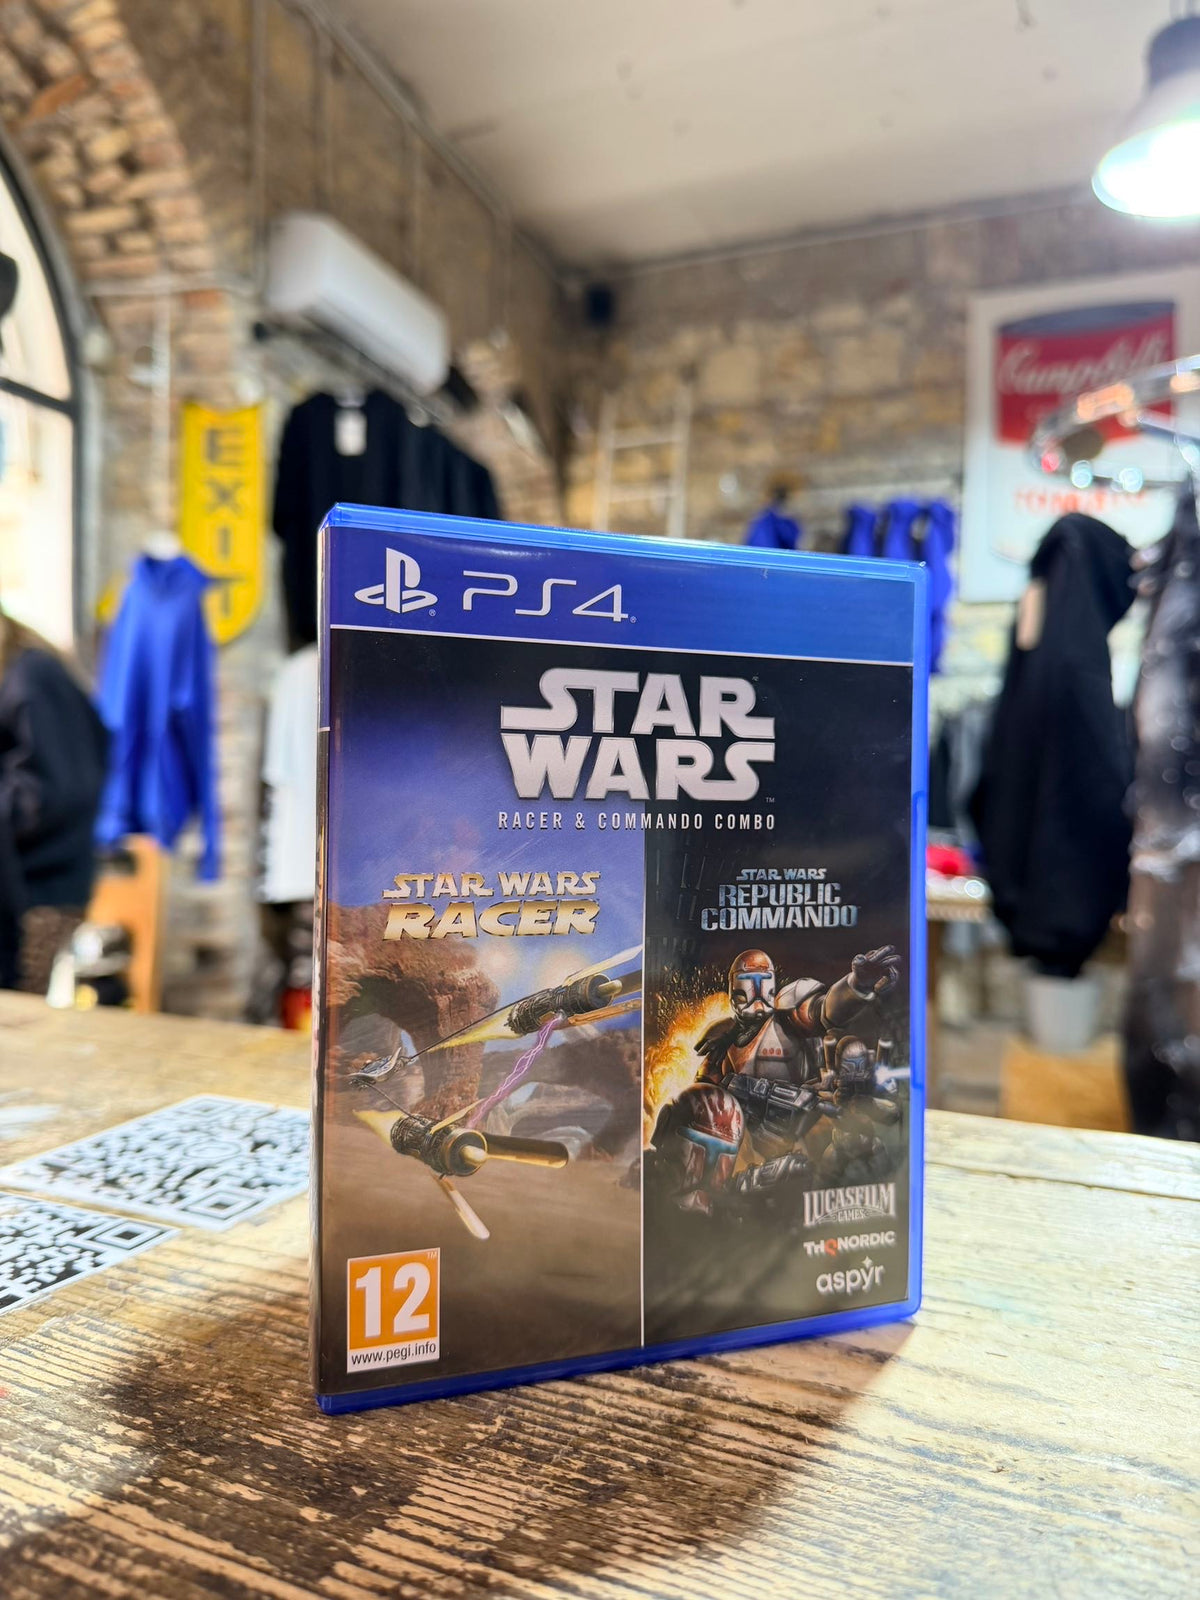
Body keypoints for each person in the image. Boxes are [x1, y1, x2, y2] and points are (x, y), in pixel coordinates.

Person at [0, 607, 108, 993]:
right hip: (32, 881)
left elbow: (56, 788)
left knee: (16, 1008)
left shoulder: (32, 676)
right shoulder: (24, 674)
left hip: (41, 887)